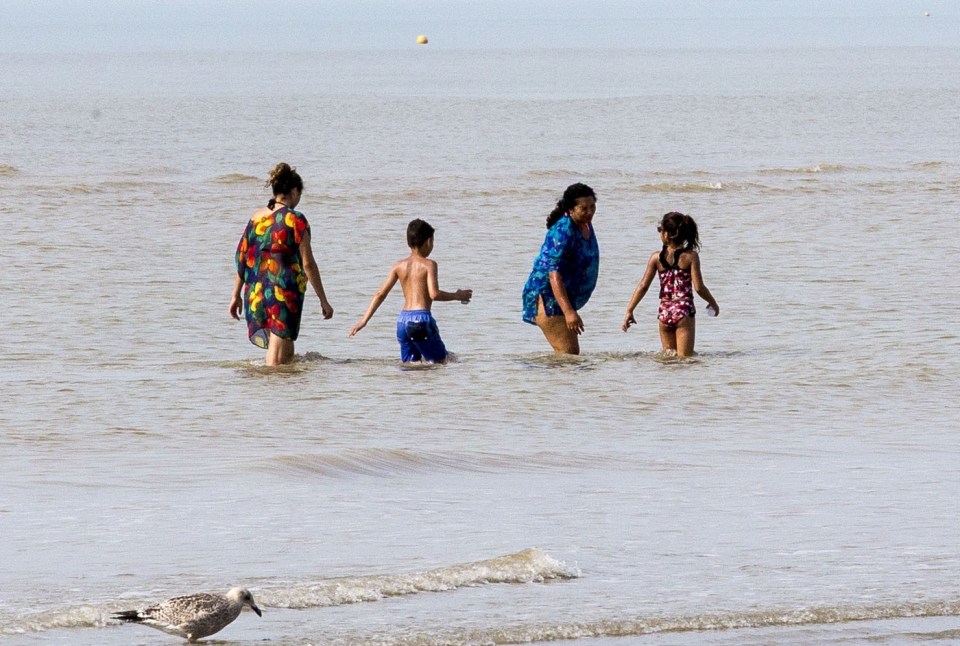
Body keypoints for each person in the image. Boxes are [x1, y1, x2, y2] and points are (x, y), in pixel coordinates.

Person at [229, 163, 334, 366]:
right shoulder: (296, 220)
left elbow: (242, 259)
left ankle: (277, 395)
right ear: (294, 192)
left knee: (281, 355)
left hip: (255, 293)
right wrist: (323, 300)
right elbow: (308, 263)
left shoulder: (255, 218)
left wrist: (235, 295)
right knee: (277, 362)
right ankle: (273, 395)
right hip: (282, 294)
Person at [349, 219, 471, 363]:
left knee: (410, 367)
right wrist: (457, 295)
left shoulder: (398, 266)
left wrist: (363, 321)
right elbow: (434, 294)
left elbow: (380, 294)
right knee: (444, 361)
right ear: (428, 242)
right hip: (421, 320)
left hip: (402, 321)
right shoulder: (429, 265)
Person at [621, 211, 719, 357]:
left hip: (664, 312)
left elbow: (643, 286)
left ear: (667, 234)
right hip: (683, 311)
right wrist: (713, 303)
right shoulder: (691, 256)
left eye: (660, 230)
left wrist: (629, 310)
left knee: (668, 359)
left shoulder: (656, 258)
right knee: (685, 359)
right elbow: (699, 287)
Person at [521, 183, 599, 354]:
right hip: (548, 298)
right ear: (571, 209)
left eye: (592, 206)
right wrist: (569, 312)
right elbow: (553, 273)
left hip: (562, 298)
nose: (590, 212)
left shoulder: (585, 223)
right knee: (569, 356)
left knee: (566, 361)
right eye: (584, 208)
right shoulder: (563, 231)